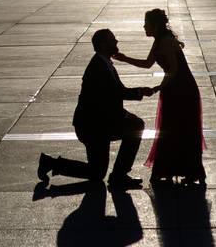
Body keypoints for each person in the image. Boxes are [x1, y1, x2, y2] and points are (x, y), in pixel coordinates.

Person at [36, 28, 157, 190]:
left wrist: (139, 93)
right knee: (135, 126)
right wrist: (140, 92)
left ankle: (50, 163)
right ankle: (119, 176)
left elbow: (115, 94)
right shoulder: (99, 67)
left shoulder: (104, 63)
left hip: (98, 124)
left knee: (96, 172)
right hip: (93, 127)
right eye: (112, 40)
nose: (116, 42)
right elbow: (116, 94)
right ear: (102, 44)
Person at [115, 7, 205, 185]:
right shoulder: (158, 40)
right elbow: (148, 64)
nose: (143, 26)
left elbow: (173, 70)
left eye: (146, 23)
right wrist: (125, 59)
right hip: (173, 87)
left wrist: (158, 88)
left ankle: (185, 170)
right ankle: (176, 170)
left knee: (179, 128)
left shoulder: (165, 41)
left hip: (182, 89)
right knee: (172, 128)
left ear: (154, 25)